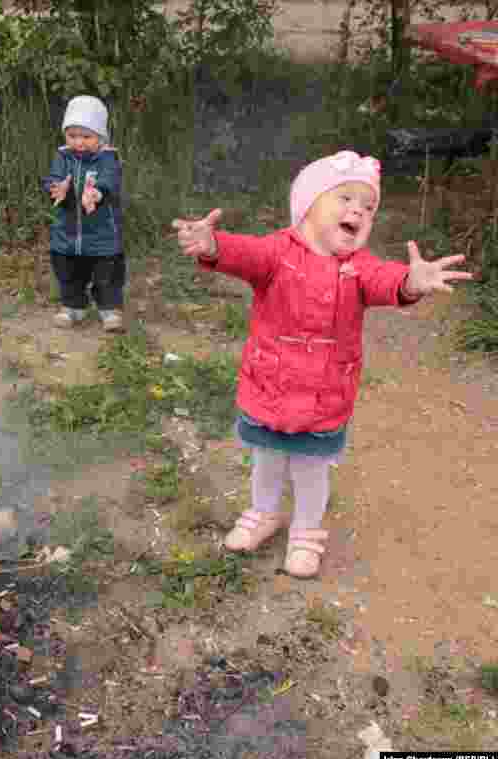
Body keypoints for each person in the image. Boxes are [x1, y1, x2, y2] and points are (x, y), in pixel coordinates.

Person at [171, 150, 474, 578]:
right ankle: (264, 513)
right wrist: (212, 245)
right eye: (345, 198)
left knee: (311, 469)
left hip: (324, 396)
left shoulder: (358, 267)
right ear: (308, 205)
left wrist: (411, 282)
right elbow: (244, 253)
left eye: (368, 207)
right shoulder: (276, 252)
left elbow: (386, 280)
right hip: (269, 386)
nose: (359, 210)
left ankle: (306, 530)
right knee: (267, 459)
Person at [41, 95, 126, 333]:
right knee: (68, 271)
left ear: (100, 137)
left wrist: (98, 193)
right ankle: (73, 306)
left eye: (86, 137)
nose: (78, 142)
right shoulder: (63, 156)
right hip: (67, 232)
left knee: (106, 273)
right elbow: (54, 178)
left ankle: (109, 309)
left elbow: (110, 180)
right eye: (72, 135)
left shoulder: (107, 158)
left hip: (101, 233)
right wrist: (56, 188)